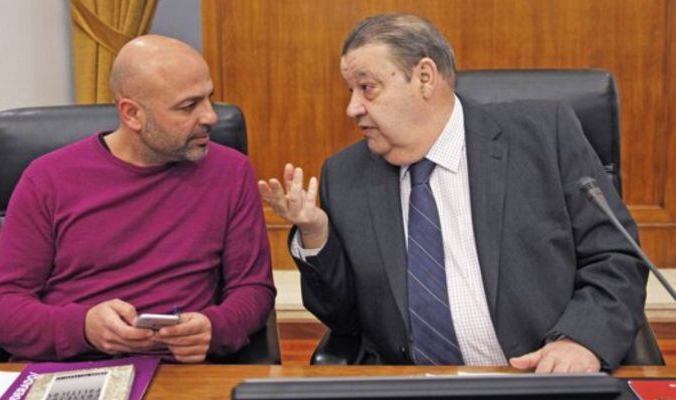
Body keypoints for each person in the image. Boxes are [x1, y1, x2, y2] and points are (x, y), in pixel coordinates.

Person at [259, 13, 646, 372]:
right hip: (412, 388)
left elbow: (616, 255)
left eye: (367, 88)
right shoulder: (345, 176)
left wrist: (581, 340)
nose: (352, 108)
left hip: (540, 377)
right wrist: (315, 234)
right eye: (350, 90)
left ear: (425, 77)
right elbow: (344, 319)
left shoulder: (543, 136)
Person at [0, 35, 276, 362]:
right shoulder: (47, 178)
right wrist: (83, 327)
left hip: (178, 371)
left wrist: (213, 328)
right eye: (189, 106)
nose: (210, 117)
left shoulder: (230, 172)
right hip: (70, 366)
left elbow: (254, 292)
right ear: (132, 114)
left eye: (210, 98)